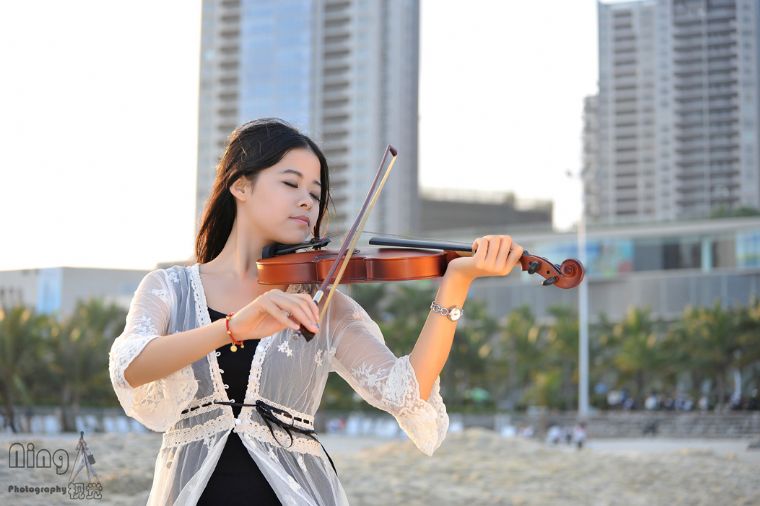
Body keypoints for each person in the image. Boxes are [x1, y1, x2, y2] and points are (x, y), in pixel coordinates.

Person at [108, 118, 525, 505]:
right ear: (240, 185)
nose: (307, 201)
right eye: (291, 183)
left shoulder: (324, 303)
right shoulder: (169, 288)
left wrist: (456, 282)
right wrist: (234, 327)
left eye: (315, 192)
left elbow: (405, 392)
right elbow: (130, 368)